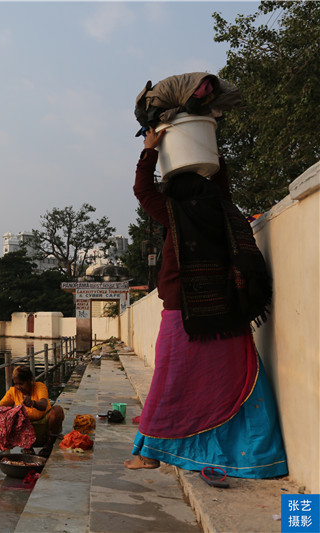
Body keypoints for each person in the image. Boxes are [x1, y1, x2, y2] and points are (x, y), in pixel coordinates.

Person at [125, 128, 288, 478]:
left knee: (170, 383)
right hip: (227, 312)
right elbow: (222, 186)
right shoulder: (221, 209)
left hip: (185, 316)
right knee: (237, 382)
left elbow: (142, 190)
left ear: (176, 194)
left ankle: (151, 452)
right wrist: (211, 149)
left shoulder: (176, 214)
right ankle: (257, 457)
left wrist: (149, 150)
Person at [0, 365, 64, 456]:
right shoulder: (13, 391)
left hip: (45, 430)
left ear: (30, 380)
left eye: (21, 384)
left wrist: (32, 403)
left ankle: (48, 446)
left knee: (57, 410)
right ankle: (27, 447)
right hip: (25, 434)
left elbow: (43, 405)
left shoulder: (39, 386)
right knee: (14, 413)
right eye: (16, 384)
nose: (18, 387)